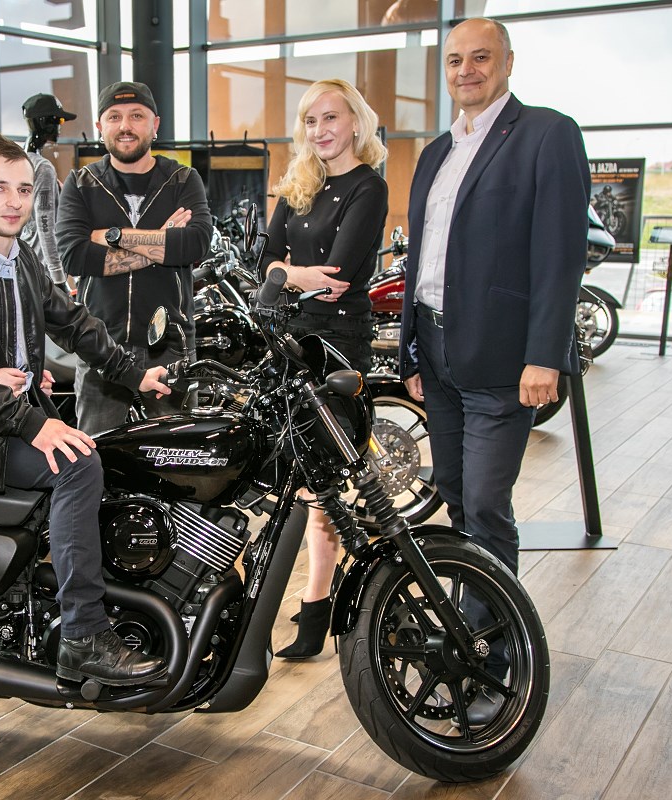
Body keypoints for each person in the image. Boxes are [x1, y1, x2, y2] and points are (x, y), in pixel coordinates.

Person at [0, 133, 173, 687]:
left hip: (14, 412)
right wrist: (37, 423)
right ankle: (83, 635)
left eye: (24, 190)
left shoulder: (23, 259)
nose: (14, 201)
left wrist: (135, 373)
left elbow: (72, 323)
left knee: (115, 455)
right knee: (80, 464)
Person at [398, 18, 589, 718]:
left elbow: (560, 256)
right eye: (455, 60)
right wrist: (411, 349)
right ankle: (468, 620)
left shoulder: (546, 134)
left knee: (483, 503)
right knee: (453, 493)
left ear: (508, 61)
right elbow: (422, 259)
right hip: (437, 352)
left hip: (505, 360)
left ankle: (491, 659)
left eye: (481, 57)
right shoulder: (437, 151)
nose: (466, 70)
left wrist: (545, 354)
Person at [259, 79, 389, 659]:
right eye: (311, 120)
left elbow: (335, 278)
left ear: (355, 122)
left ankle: (315, 609)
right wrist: (293, 275)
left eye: (331, 117)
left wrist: (286, 274)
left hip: (336, 345)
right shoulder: (298, 183)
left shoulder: (369, 187)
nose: (320, 130)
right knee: (282, 479)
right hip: (288, 341)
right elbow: (263, 262)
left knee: (321, 485)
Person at [55, 80, 212, 435]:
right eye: (114, 117)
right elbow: (75, 256)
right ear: (100, 127)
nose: (125, 126)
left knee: (176, 456)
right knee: (98, 455)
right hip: (100, 345)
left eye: (136, 116)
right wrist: (163, 244)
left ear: (155, 124)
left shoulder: (182, 179)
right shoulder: (81, 183)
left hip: (170, 346)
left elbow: (196, 244)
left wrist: (112, 237)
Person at [21, 92, 76, 288]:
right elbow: (45, 224)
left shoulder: (20, 162)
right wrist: (59, 278)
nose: (60, 127)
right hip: (44, 274)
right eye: (58, 121)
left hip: (25, 266)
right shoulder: (42, 168)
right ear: (45, 122)